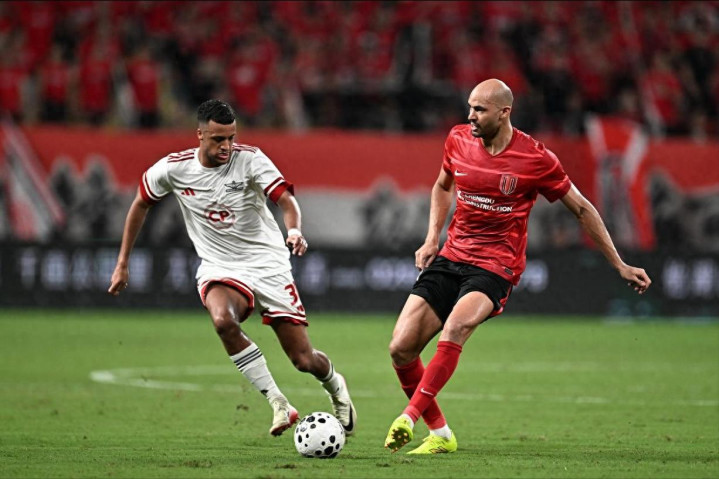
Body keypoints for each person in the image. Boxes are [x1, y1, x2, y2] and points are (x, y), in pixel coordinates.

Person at [384, 79, 651, 454]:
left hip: (496, 267)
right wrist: (432, 238)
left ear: (504, 112)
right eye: (470, 107)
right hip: (452, 256)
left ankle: (408, 417)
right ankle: (441, 435)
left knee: (457, 326)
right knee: (400, 348)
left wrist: (619, 264)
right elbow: (443, 186)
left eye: (480, 109)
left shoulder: (535, 158)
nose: (470, 116)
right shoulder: (457, 139)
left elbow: (581, 208)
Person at [108, 99, 356, 437]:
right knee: (223, 322)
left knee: (303, 359)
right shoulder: (172, 169)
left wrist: (294, 230)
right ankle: (278, 402)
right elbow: (140, 203)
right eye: (218, 139)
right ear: (199, 135)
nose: (226, 146)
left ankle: (336, 386)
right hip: (220, 265)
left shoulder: (250, 160)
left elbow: (286, 200)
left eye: (231, 138)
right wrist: (122, 263)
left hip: (268, 263)